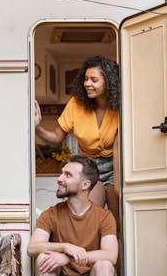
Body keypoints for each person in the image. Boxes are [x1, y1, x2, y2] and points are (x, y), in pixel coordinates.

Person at [35, 56, 120, 221]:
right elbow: (56, 138)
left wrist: (117, 185)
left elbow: (119, 149)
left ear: (108, 82)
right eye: (86, 79)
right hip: (89, 165)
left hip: (116, 163)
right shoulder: (75, 104)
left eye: (94, 80)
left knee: (117, 219)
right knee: (87, 218)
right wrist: (38, 127)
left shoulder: (121, 106)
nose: (87, 83)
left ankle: (115, 246)